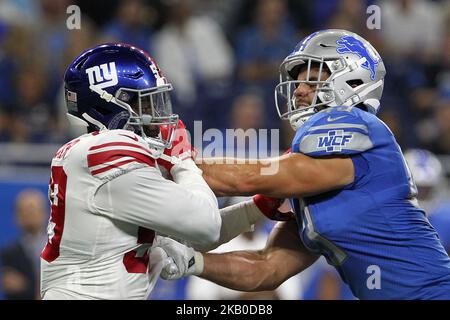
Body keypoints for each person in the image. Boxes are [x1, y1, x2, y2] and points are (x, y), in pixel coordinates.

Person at [152, 29, 450, 300]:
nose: (298, 91)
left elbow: (247, 180)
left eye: (311, 79)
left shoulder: (360, 125)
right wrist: (193, 262)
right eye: (298, 82)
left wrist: (167, 160)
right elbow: (266, 269)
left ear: (352, 80)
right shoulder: (311, 186)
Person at [40, 43, 290, 300]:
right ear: (105, 106)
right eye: (145, 104)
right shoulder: (106, 150)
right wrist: (182, 161)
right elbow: (205, 225)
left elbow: (189, 235)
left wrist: (255, 209)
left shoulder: (99, 160)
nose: (156, 116)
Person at [1, 189, 47, 300]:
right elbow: (12, 289)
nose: (28, 214)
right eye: (23, 210)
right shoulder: (10, 253)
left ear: (45, 213)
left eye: (32, 209)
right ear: (16, 216)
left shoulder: (61, 249)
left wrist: (26, 286)